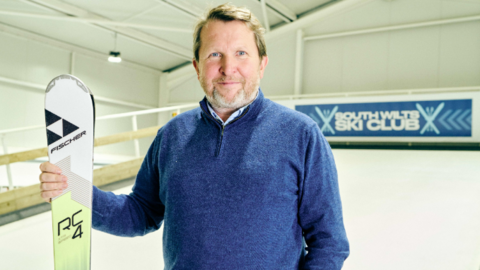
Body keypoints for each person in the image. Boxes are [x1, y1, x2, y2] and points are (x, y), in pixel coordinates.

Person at [39, 3, 349, 269]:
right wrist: (76, 191)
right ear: (197, 66)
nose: (228, 68)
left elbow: (329, 241)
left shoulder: (300, 134)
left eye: (241, 53)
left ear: (262, 64)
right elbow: (140, 213)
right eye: (215, 54)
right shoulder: (172, 136)